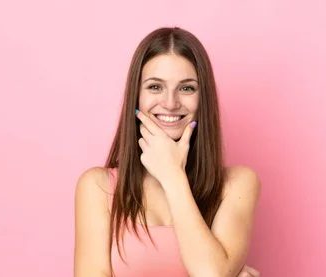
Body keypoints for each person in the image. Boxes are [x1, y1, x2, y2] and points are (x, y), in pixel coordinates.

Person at [74, 27, 261, 277]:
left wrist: (173, 177)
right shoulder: (98, 187)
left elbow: (212, 274)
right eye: (155, 87)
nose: (170, 103)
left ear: (202, 98)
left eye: (186, 88)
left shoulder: (237, 184)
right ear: (136, 97)